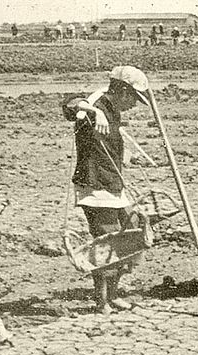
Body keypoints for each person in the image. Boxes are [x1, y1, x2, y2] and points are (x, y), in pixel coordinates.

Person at [61, 66, 151, 314]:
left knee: (132, 234)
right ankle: (102, 301)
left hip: (114, 184)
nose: (135, 104)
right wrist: (93, 111)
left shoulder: (113, 110)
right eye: (134, 97)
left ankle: (113, 293)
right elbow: (69, 105)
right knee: (107, 242)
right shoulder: (95, 105)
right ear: (122, 90)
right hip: (95, 186)